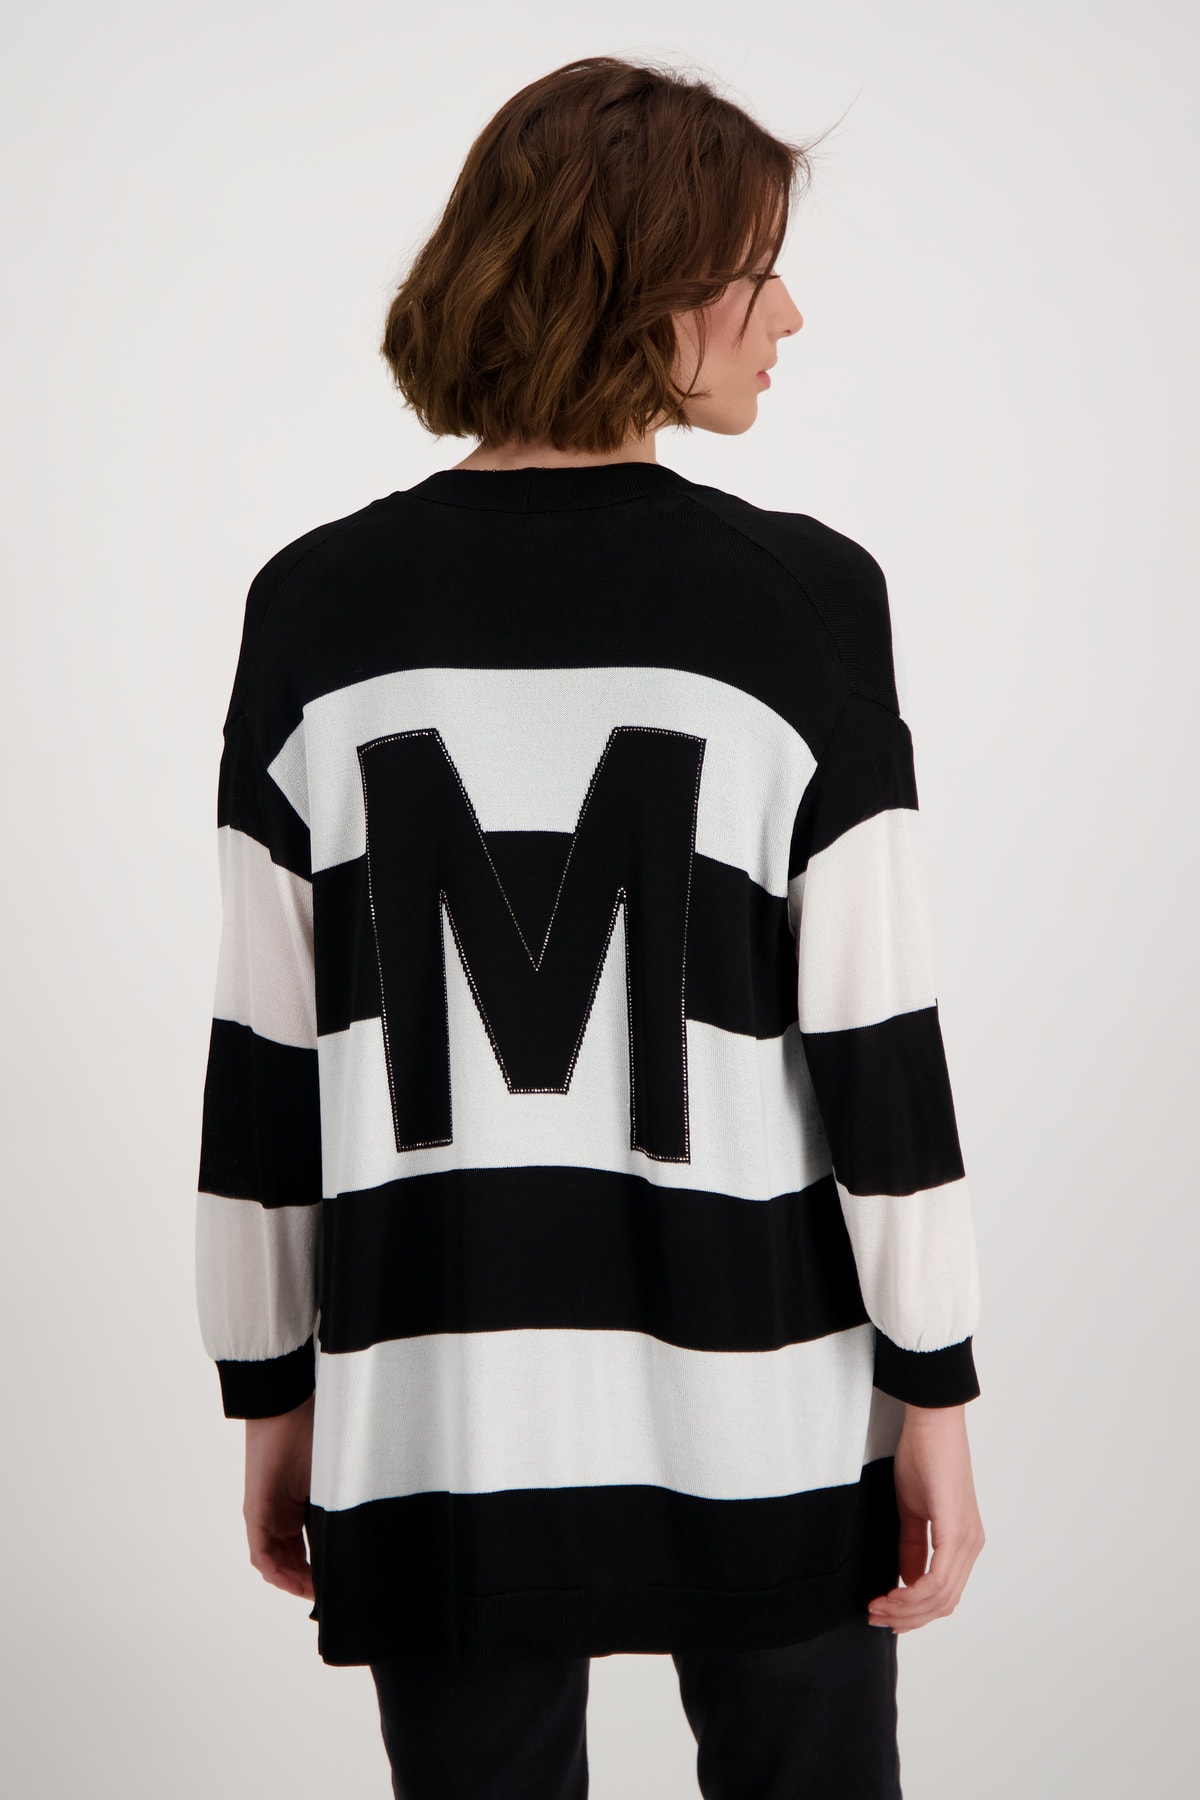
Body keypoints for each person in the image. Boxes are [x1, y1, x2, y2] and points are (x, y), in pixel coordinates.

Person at [196, 53, 985, 1800]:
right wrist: (935, 1386)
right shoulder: (805, 600)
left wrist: (271, 1386)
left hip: (434, 1409)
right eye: (756, 270)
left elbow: (265, 1055)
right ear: (650, 287)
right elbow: (879, 1040)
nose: (791, 314)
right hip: (768, 1401)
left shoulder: (314, 607)